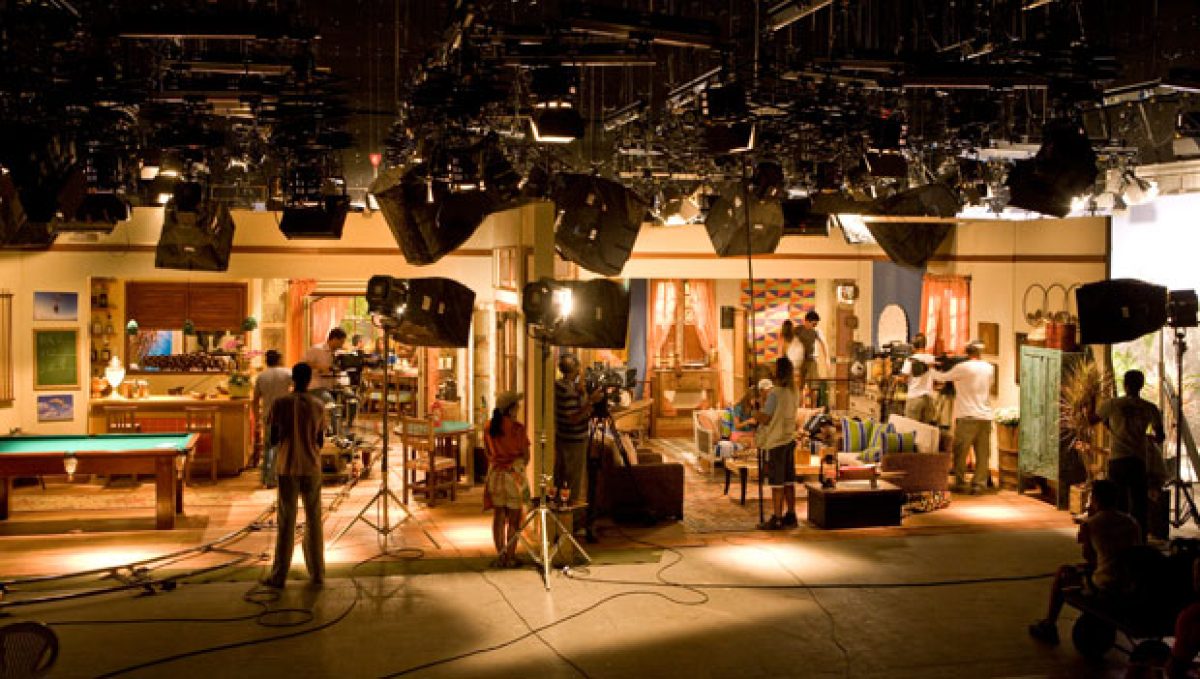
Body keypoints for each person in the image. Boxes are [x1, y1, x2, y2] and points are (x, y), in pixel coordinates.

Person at [1028, 479, 1143, 644]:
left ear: (1095, 499)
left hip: (1105, 583)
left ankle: (1049, 624)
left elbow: (1088, 556)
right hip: (1129, 580)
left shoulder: (1091, 524)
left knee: (1062, 573)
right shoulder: (1131, 522)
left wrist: (1089, 518)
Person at [262, 362, 326, 589]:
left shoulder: (280, 404)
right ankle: (317, 573)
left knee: (286, 522)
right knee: (314, 520)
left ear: (293, 380)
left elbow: (273, 439)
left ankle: (279, 576)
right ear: (309, 380)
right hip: (311, 467)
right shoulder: (318, 405)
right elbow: (319, 441)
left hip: (287, 466)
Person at [1090, 369, 1166, 538]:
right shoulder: (1150, 408)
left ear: (1125, 385)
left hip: (1117, 459)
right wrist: (1148, 438)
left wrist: (1094, 405)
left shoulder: (1112, 404)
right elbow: (1160, 436)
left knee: (1118, 502)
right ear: (1141, 385)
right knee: (1139, 503)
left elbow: (1092, 420)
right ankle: (1140, 539)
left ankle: (1120, 538)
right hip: (1138, 460)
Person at [932, 341, 995, 494]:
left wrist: (930, 368)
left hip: (967, 415)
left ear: (967, 353)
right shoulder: (989, 367)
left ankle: (960, 482)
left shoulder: (962, 368)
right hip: (985, 416)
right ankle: (979, 484)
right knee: (983, 453)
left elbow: (942, 378)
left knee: (960, 451)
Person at [483, 391, 531, 568]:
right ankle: (510, 557)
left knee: (499, 517)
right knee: (514, 518)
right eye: (517, 405)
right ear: (511, 409)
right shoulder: (518, 428)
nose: (519, 407)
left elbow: (487, 452)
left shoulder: (488, 426)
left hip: (495, 475)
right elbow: (526, 456)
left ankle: (500, 556)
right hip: (513, 476)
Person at [754, 358, 799, 530]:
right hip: (789, 439)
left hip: (776, 442)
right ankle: (791, 515)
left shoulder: (775, 394)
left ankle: (777, 517)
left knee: (777, 482)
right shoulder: (794, 392)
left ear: (777, 373)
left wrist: (755, 412)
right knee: (789, 480)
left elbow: (766, 418)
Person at [553, 353, 602, 506]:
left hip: (565, 438)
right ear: (575, 369)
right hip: (573, 441)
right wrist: (591, 401)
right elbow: (573, 418)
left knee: (564, 477)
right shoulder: (566, 390)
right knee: (573, 480)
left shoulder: (563, 386)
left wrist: (582, 393)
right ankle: (570, 511)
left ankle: (564, 508)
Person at [252, 350, 292, 488]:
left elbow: (255, 400)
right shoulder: (287, 373)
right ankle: (272, 478)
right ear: (279, 360)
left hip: (268, 414)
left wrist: (257, 418)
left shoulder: (261, 376)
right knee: (279, 446)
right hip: (284, 414)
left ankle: (264, 477)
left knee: (268, 446)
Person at [898, 333, 938, 425]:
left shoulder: (910, 360)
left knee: (911, 428)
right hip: (929, 399)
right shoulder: (932, 358)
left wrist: (897, 379)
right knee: (925, 429)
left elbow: (904, 379)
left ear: (914, 345)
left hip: (914, 398)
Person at [303, 328, 347, 400]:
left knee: (352, 398)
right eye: (341, 342)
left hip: (334, 386)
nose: (341, 345)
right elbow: (303, 364)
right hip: (317, 386)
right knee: (329, 401)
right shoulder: (317, 349)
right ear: (334, 339)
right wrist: (319, 367)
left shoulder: (339, 353)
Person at [795, 311, 831, 393]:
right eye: (814, 324)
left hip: (812, 359)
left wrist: (827, 358)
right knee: (799, 386)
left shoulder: (816, 331)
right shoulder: (798, 330)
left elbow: (824, 343)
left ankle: (813, 401)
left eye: (816, 324)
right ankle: (799, 401)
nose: (815, 326)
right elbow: (789, 341)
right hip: (800, 360)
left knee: (814, 386)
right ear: (807, 321)